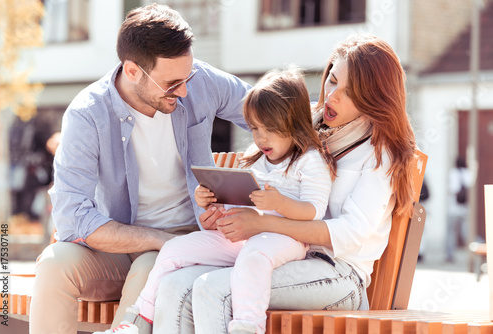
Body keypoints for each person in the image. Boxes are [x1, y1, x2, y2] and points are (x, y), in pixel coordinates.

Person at [150, 34, 417, 334]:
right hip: (275, 255)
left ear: (374, 99)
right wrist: (225, 213)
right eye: (332, 81)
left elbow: (350, 232)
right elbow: (265, 182)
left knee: (215, 290)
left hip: (336, 274)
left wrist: (262, 224)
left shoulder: (379, 155)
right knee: (175, 285)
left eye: (350, 93)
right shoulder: (306, 128)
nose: (332, 97)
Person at [29, 4, 251, 334]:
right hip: (117, 246)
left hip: (188, 241)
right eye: (172, 82)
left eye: (187, 76)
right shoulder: (87, 115)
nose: (185, 89)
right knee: (52, 265)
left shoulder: (198, 81)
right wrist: (157, 239)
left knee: (150, 266)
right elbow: (72, 217)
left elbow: (271, 113)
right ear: (132, 71)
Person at [98, 68, 335, 334]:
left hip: (284, 239)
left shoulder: (309, 161)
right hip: (245, 237)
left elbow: (314, 211)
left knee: (254, 256)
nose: (260, 138)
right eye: (255, 128)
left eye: (270, 129)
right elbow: (242, 204)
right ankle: (137, 322)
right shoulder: (256, 156)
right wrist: (212, 202)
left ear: (294, 124)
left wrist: (279, 203)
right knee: (174, 249)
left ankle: (246, 326)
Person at [446, 157, 472, 262]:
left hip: (453, 208)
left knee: (451, 232)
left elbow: (453, 189)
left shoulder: (453, 173)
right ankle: (473, 252)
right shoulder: (467, 173)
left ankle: (450, 255)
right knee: (466, 232)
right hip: (465, 208)